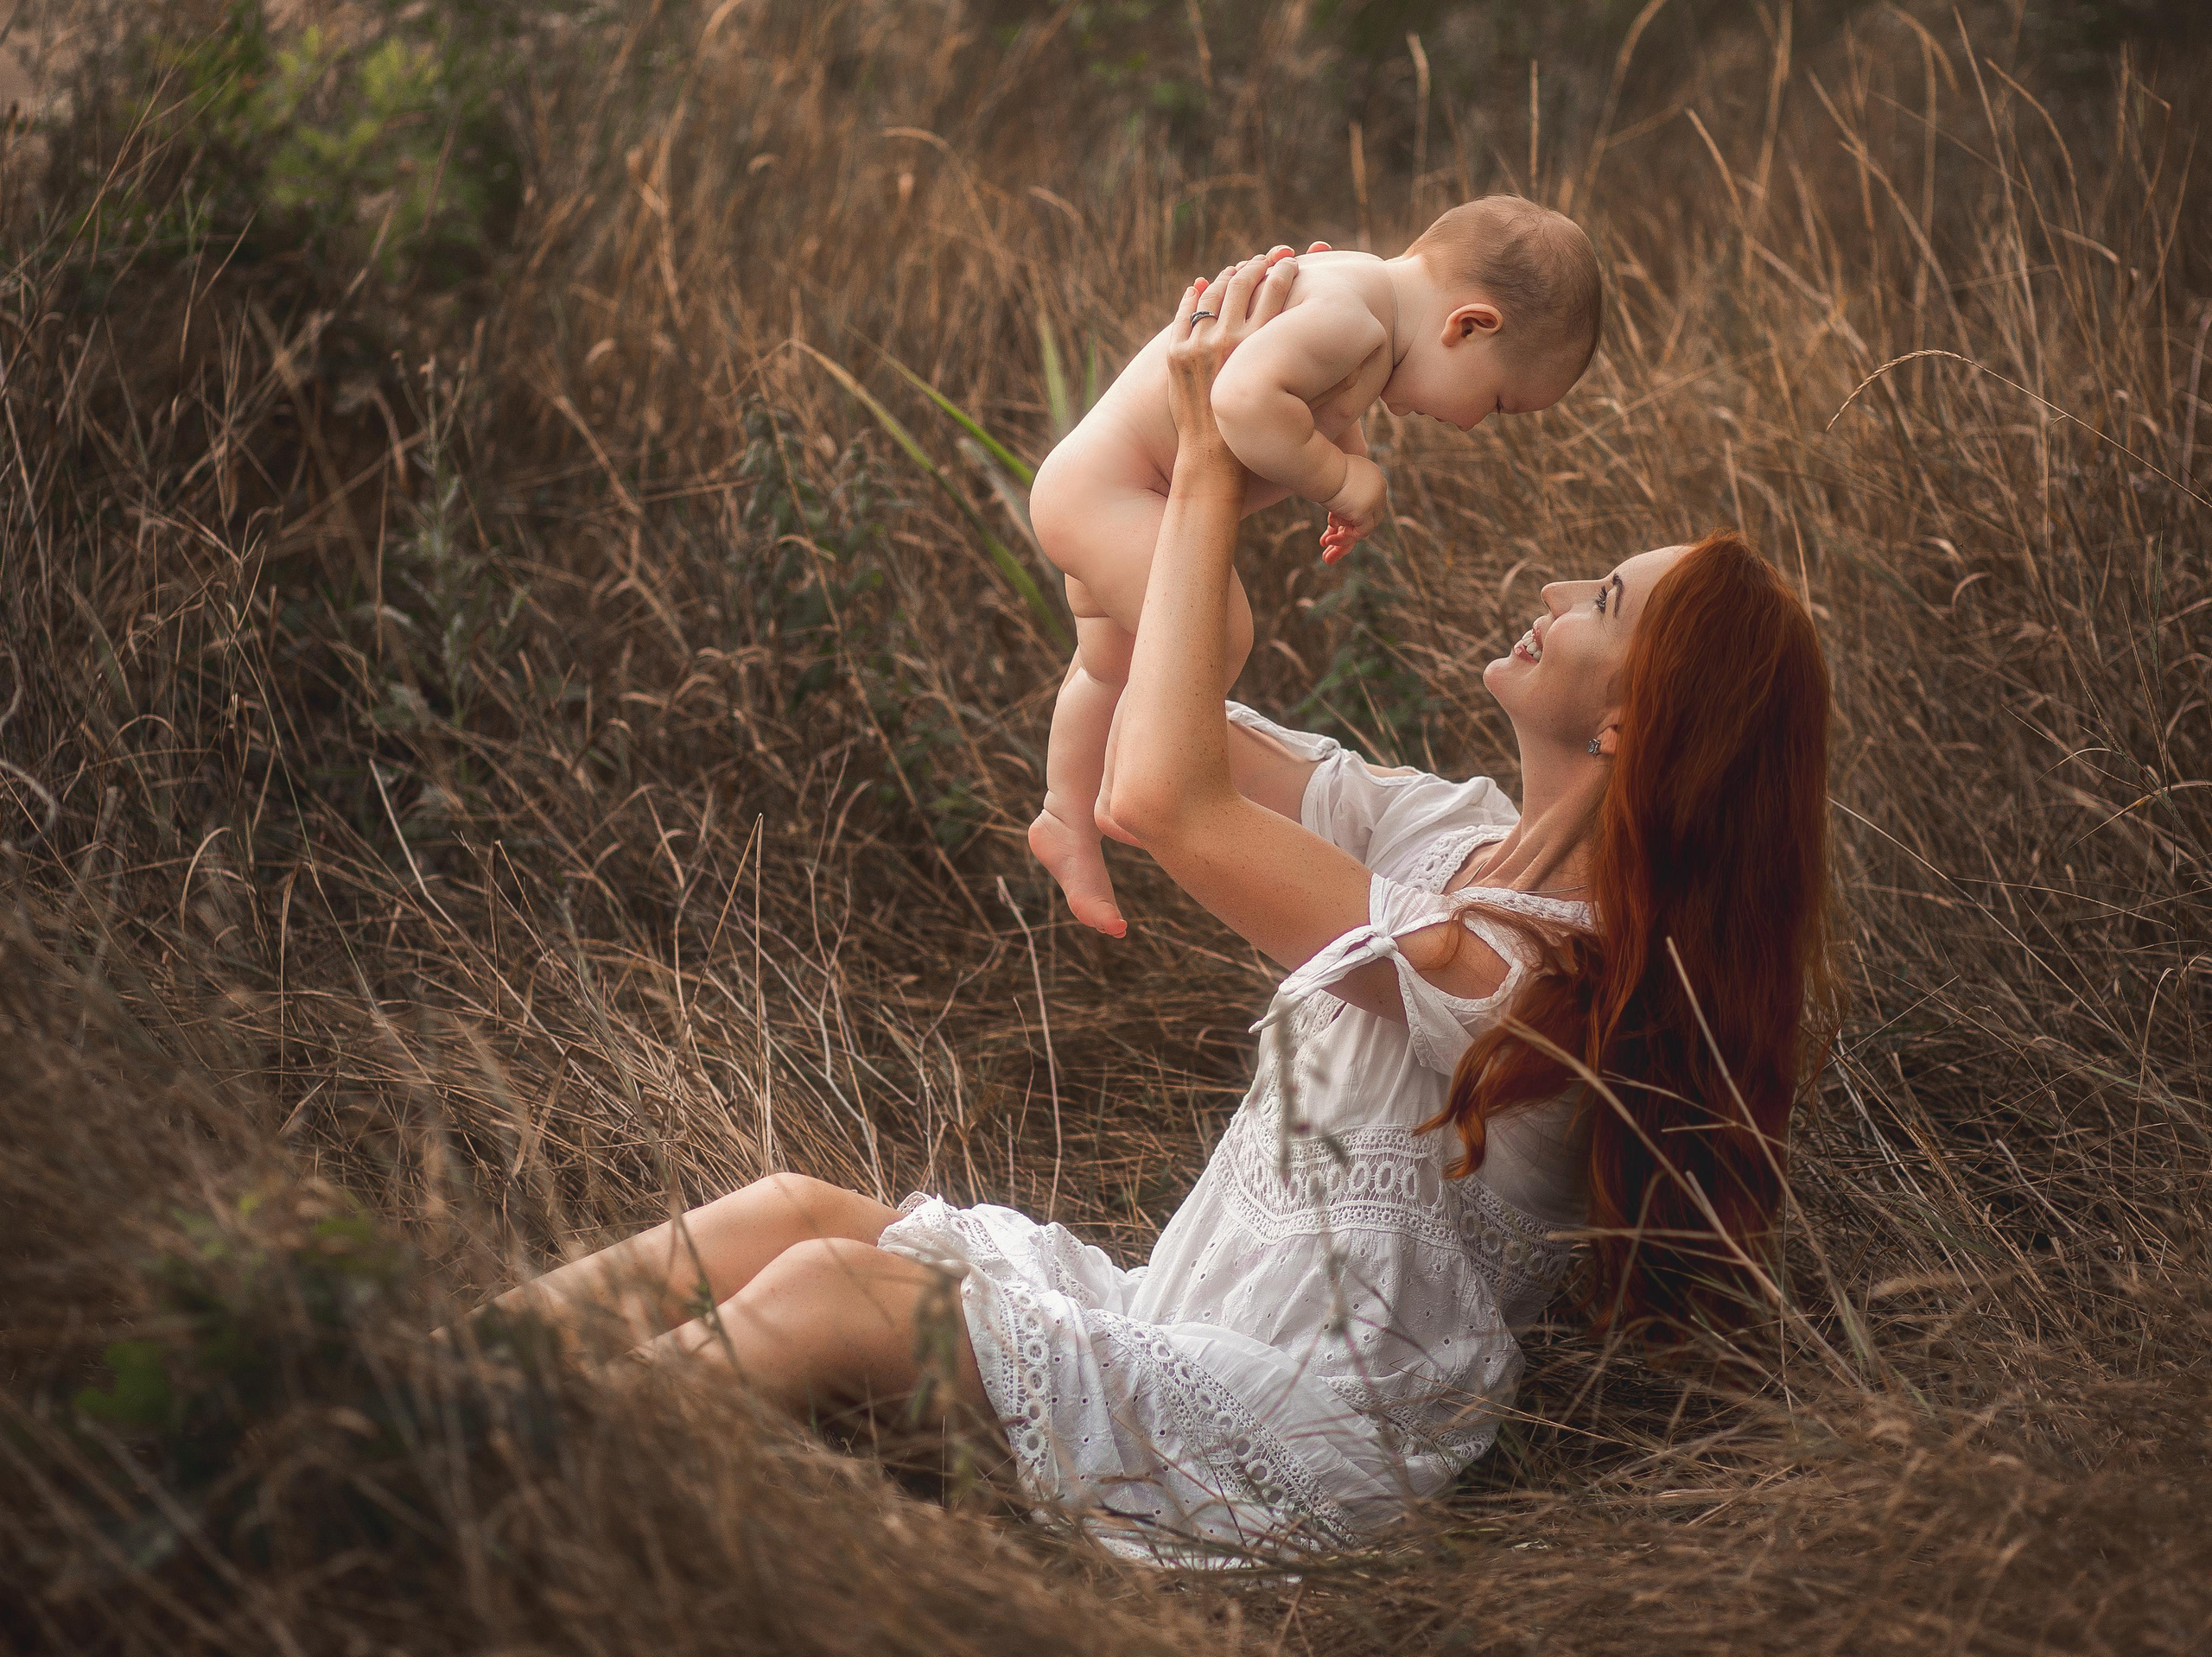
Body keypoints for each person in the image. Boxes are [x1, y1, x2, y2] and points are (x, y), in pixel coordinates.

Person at [467, 254, 1834, 1565]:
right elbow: (1145, 727)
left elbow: (1173, 805)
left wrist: (1205, 473)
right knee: (780, 1214)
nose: (1548, 587)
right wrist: (1144, 484)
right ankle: (394, 1396)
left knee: (829, 1295)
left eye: (1600, 598)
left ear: (1629, 722)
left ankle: (434, 1510)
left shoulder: (1539, 964)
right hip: (1178, 1322)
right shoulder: (1451, 833)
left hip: (1289, 1427)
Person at [1027, 197, 1604, 939]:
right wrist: (1339, 478)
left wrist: (1347, 451)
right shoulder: (1353, 315)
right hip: (1119, 493)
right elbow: (1239, 400)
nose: (1471, 425)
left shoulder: (1363, 309)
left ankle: (1063, 817)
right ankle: (1133, 779)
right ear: (1469, 325)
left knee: (1109, 664)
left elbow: (1305, 397)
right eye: (1495, 403)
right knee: (1219, 634)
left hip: (1111, 489)